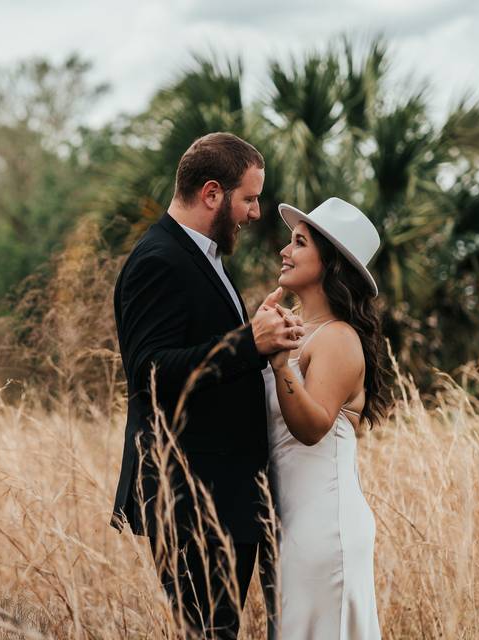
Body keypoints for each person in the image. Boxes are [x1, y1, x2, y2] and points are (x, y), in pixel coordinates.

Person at [110, 132, 302, 638]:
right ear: (212, 193)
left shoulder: (203, 256)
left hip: (226, 495)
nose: (256, 213)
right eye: (249, 198)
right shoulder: (159, 260)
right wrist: (247, 342)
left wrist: (255, 338)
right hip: (191, 499)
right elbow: (148, 373)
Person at [263, 197, 391, 638]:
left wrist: (281, 365)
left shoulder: (338, 338)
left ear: (330, 264)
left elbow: (314, 427)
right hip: (289, 520)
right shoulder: (294, 327)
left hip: (324, 524)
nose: (285, 251)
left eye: (299, 242)